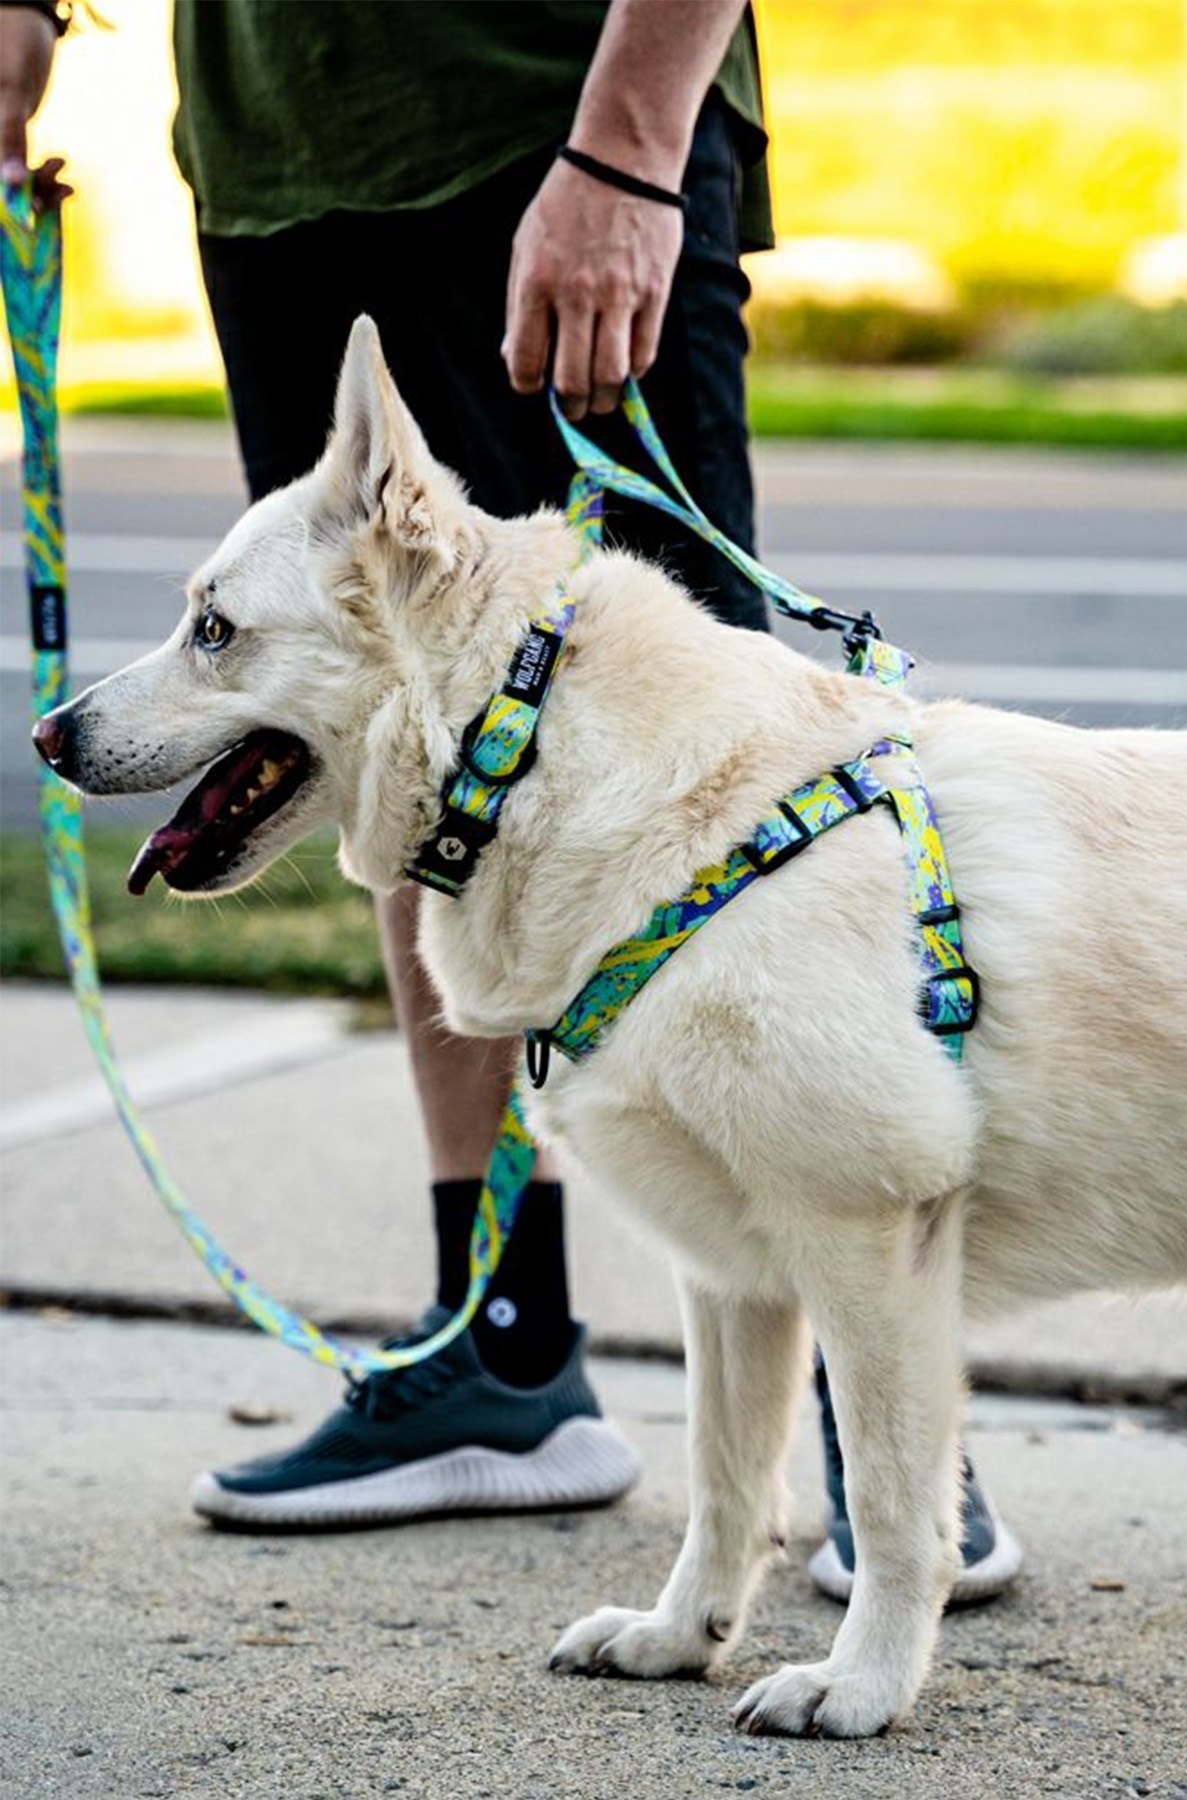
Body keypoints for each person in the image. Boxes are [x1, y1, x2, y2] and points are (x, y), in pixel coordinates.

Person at [3, 0, 1020, 1600]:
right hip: (286, 155)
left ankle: (889, 1424)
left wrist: (626, 139)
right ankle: (505, 1347)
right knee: (387, 729)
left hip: (554, 120)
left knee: (736, 788)